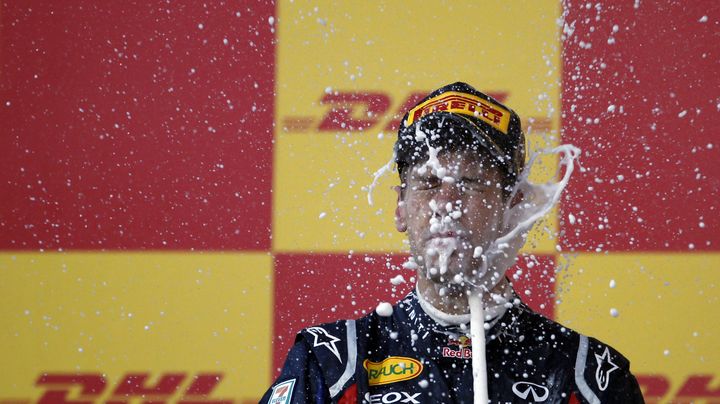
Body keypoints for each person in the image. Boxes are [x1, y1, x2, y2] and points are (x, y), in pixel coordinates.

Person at [260, 82, 644, 404]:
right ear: (400, 208)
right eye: (428, 183)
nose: (446, 203)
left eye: (471, 183)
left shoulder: (588, 376)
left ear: (513, 207)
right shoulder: (331, 361)